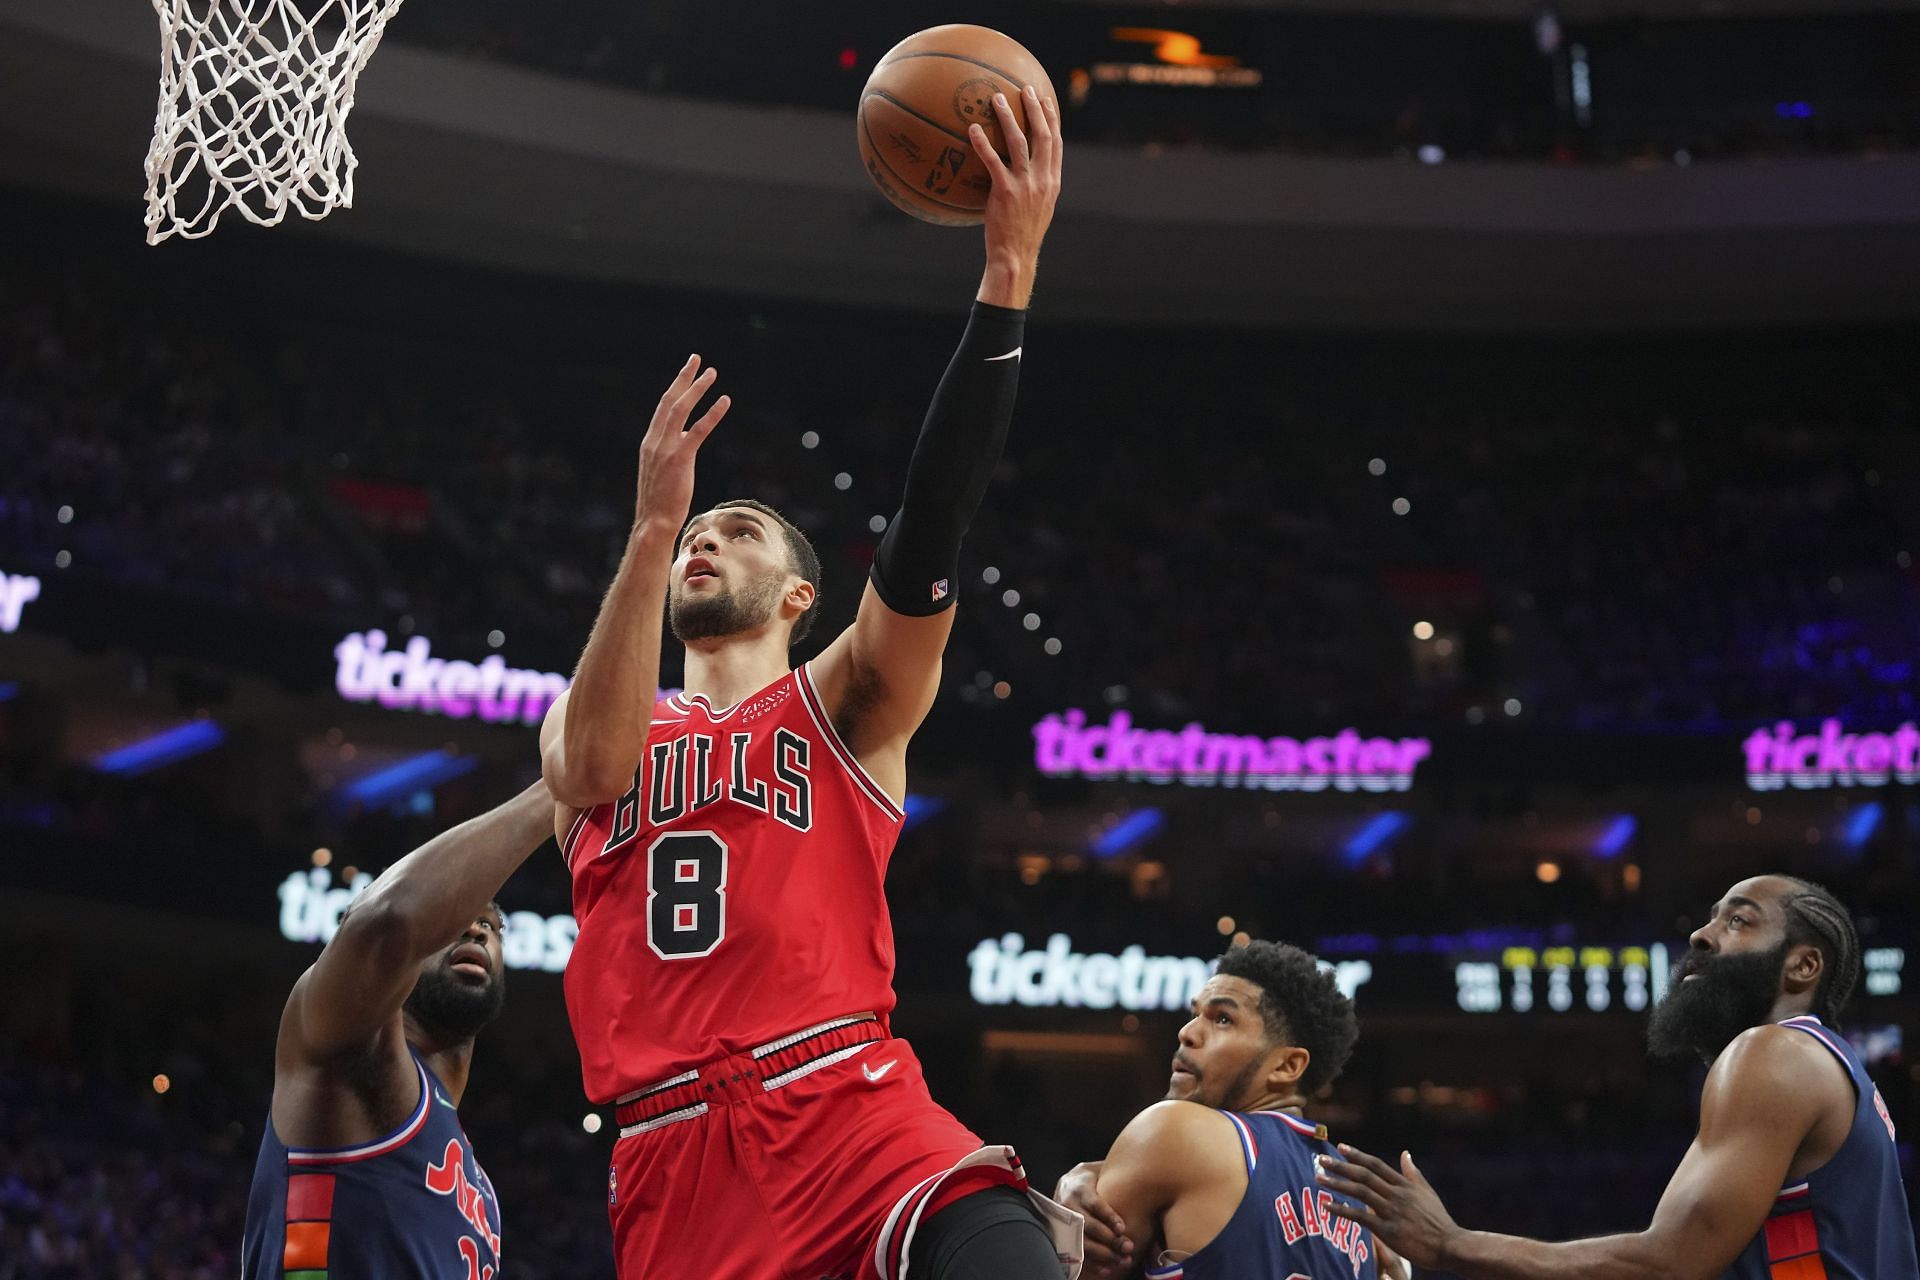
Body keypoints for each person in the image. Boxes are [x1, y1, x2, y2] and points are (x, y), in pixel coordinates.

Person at [539, 85, 1076, 1280]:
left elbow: (929, 530)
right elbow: (585, 771)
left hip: (848, 1095)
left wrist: (1006, 279)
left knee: (1007, 1251)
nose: (703, 541)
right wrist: (646, 528)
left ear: (798, 596)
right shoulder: (596, 719)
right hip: (671, 1149)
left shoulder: (843, 703)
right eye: (696, 533)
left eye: (736, 530)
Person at [1316, 874, 1920, 1280]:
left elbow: (1670, 1262)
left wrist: (1454, 1242)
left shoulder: (1773, 1053)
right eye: (1711, 919)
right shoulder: (1837, 1070)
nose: (1700, 936)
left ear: (1803, 964)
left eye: (1738, 922)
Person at [243, 782, 554, 1280]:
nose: (474, 930)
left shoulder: (480, 1188)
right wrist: (560, 790)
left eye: (489, 926)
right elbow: (387, 923)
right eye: (455, 922)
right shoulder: (352, 1049)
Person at [1054, 941, 1408, 1280]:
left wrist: (1060, 1212)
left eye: (1222, 1019)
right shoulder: (1363, 1202)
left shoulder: (1171, 1129)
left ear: (1287, 1066)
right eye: (1195, 1014)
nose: (1187, 1033)